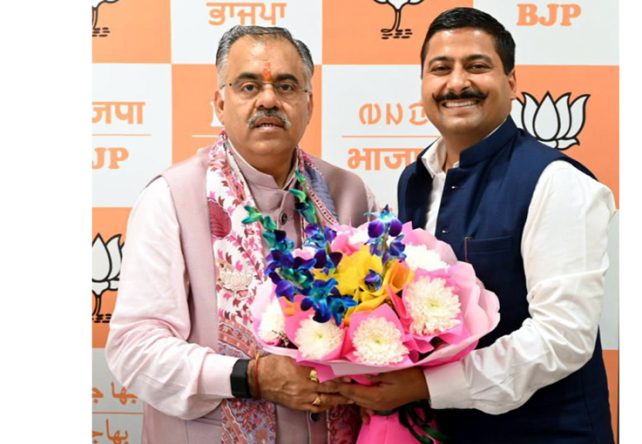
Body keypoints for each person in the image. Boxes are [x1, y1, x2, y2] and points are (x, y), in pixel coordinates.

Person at [336, 7, 616, 443]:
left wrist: (427, 386)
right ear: (424, 84)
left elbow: (562, 338)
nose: (457, 82)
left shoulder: (557, 181)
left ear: (511, 82)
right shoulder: (415, 180)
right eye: (440, 69)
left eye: (478, 66)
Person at [105, 25, 375, 444]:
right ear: (220, 102)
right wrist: (249, 377)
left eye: (286, 86)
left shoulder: (348, 193)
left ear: (309, 103)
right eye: (249, 85)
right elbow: (135, 349)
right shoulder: (172, 198)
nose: (268, 99)